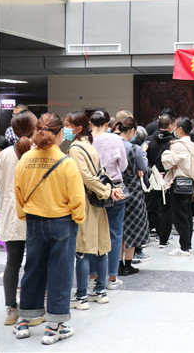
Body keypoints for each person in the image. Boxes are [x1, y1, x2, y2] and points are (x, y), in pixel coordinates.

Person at [13, 113, 85, 345]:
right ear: (58, 133)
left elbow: (18, 191)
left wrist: (24, 213)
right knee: (60, 272)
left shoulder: (25, 159)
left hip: (34, 221)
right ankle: (54, 326)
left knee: (33, 268)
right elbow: (77, 198)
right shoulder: (66, 162)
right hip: (62, 222)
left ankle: (24, 321)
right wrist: (78, 218)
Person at [66, 111, 122, 309]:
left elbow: (87, 177)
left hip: (85, 202)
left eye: (68, 125)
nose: (65, 129)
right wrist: (109, 190)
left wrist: (107, 191)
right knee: (100, 247)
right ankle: (100, 291)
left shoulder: (75, 149)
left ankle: (82, 296)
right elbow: (100, 173)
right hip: (97, 202)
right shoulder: (89, 146)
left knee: (82, 249)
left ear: (79, 127)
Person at [0, 111, 39, 325]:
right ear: (34, 128)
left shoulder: (4, 154)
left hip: (11, 216)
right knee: (34, 264)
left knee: (12, 264)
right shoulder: (39, 152)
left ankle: (11, 310)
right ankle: (31, 308)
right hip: (35, 215)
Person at [90, 111, 128, 289]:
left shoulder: (86, 140)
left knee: (92, 233)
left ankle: (92, 275)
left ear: (90, 123)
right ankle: (112, 277)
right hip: (115, 187)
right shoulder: (115, 139)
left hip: (92, 189)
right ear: (107, 124)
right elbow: (124, 165)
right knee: (115, 233)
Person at [161, 117, 194, 256]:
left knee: (180, 217)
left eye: (175, 126)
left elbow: (167, 161)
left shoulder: (178, 145)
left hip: (178, 183)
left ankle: (184, 248)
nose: (173, 128)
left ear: (181, 129)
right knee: (187, 216)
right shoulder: (193, 145)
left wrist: (167, 153)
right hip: (189, 182)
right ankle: (187, 245)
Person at [115, 117, 150, 272]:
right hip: (133, 190)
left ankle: (117, 265)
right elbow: (143, 166)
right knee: (132, 227)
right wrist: (143, 157)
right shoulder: (134, 148)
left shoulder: (111, 144)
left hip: (115, 189)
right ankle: (128, 265)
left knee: (118, 228)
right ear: (132, 131)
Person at [144, 113, 175, 247]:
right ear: (170, 126)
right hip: (168, 178)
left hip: (151, 178)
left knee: (148, 207)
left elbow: (143, 158)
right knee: (166, 209)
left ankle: (143, 238)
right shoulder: (174, 142)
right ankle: (163, 239)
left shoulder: (148, 140)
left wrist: (152, 171)